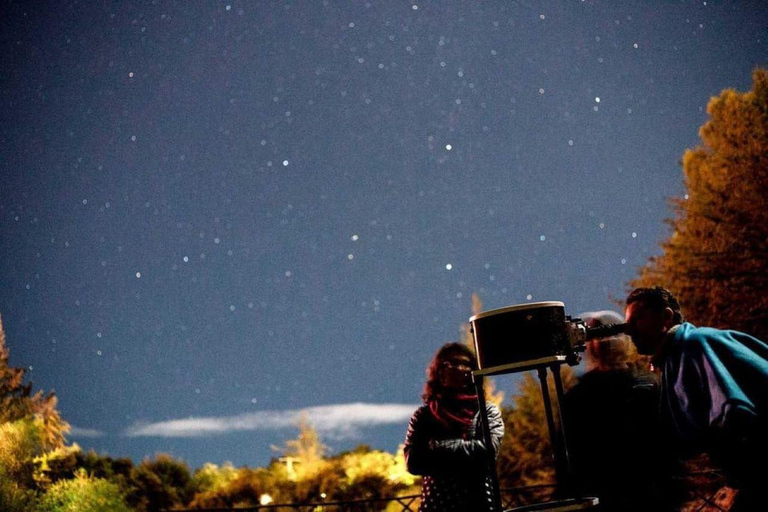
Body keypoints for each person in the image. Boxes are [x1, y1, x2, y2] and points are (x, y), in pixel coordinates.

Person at [625, 286, 768, 511]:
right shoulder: (675, 357)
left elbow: (735, 412)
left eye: (638, 319)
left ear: (666, 316)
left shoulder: (694, 346)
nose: (630, 330)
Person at [562, 310, 682, 511]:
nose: (601, 343)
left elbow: (667, 443)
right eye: (595, 337)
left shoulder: (647, 386)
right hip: (606, 497)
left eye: (605, 336)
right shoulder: (578, 397)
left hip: (647, 495)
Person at [403, 342, 504, 511]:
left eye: (466, 364)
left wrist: (437, 448)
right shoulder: (424, 416)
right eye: (454, 363)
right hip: (436, 506)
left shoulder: (486, 412)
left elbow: (487, 451)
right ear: (440, 372)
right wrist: (465, 457)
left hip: (478, 505)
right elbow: (413, 462)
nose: (461, 369)